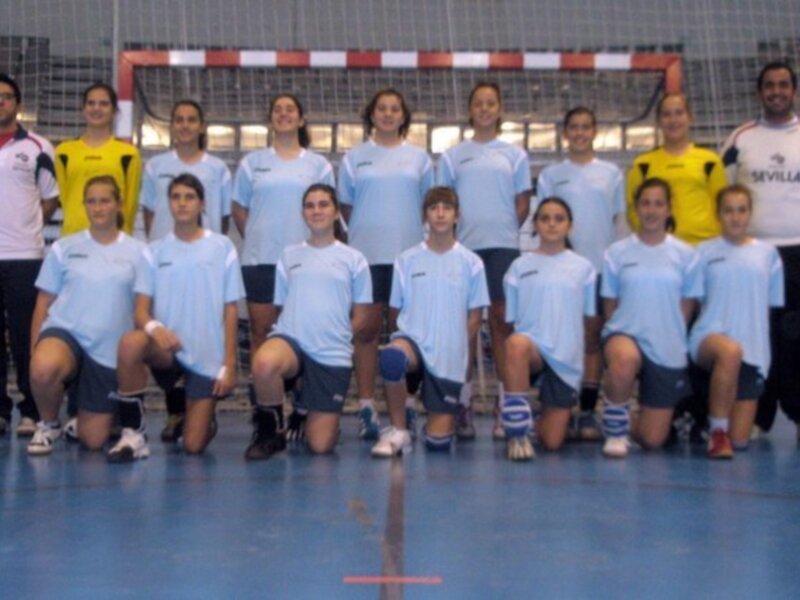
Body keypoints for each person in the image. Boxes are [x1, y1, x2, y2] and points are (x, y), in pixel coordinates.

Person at [110, 174, 243, 461]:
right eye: (176, 197)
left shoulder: (223, 247)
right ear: (169, 203)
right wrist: (154, 327)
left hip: (206, 359)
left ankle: (201, 415)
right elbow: (140, 311)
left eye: (189, 197)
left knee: (193, 446)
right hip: (168, 353)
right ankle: (134, 434)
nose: (182, 203)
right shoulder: (154, 251)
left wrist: (229, 365)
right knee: (131, 343)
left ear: (202, 204)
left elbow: (231, 309)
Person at [246, 184, 371, 460]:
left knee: (320, 445)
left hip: (331, 354)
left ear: (336, 211)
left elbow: (362, 317)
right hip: (293, 344)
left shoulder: (354, 259)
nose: (316, 211)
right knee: (264, 363)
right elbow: (281, 306)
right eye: (310, 205)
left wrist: (336, 335)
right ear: (303, 213)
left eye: (323, 204)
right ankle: (270, 432)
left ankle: (305, 405)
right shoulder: (289, 255)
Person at [338, 88, 435, 440]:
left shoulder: (420, 159)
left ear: (403, 116)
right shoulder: (354, 158)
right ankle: (366, 407)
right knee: (365, 332)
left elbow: (428, 205)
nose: (389, 114)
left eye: (395, 108)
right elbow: (346, 207)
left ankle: (406, 406)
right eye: (382, 108)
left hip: (407, 259)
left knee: (402, 334)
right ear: (372, 114)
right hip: (366, 257)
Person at [437, 82, 532, 439]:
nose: (485, 108)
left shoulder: (515, 155)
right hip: (463, 251)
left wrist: (503, 231)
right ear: (470, 109)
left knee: (503, 324)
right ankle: (462, 403)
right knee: (465, 326)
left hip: (502, 248)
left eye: (491, 103)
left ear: (499, 108)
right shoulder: (453, 156)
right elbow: (443, 202)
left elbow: (522, 203)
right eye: (478, 103)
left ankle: (505, 403)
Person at [27, 176, 144, 455]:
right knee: (43, 368)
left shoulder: (139, 252)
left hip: (107, 352)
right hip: (66, 336)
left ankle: (89, 414)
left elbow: (145, 307)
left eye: (105, 201)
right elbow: (43, 302)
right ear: (84, 206)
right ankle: (49, 424)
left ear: (119, 204)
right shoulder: (64, 248)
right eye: (91, 201)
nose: (98, 208)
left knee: (93, 442)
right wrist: (35, 350)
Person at [140, 99, 233, 443]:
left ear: (201, 126)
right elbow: (151, 214)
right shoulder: (156, 166)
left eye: (191, 119)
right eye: (178, 119)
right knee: (162, 334)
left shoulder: (218, 168)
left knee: (200, 335)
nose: (184, 125)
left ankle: (202, 406)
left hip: (203, 267)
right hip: (167, 268)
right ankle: (175, 410)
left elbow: (223, 218)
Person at [371, 187, 489, 457]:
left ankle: (432, 418)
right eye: (434, 208)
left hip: (448, 356)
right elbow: (395, 313)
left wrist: (458, 354)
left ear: (457, 215)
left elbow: (474, 319)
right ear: (425, 215)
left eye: (447, 208)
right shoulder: (406, 260)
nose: (440, 213)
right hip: (413, 344)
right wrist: (405, 340)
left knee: (438, 445)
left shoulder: (472, 263)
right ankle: (399, 430)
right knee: (391, 358)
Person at [232, 94, 334, 403]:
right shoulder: (252, 163)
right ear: (270, 119)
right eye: (277, 109)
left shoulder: (318, 165)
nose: (284, 114)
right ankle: (266, 407)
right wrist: (258, 237)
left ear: (301, 120)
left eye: (290, 109)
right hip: (260, 259)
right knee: (261, 330)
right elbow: (239, 208)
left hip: (305, 262)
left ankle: (302, 404)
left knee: (302, 331)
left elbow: (327, 211)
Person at [536, 107, 625, 441]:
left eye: (586, 127)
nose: (579, 133)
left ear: (595, 131)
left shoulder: (611, 173)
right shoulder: (551, 175)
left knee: (591, 339)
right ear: (565, 133)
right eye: (573, 127)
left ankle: (587, 411)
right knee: (557, 336)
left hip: (598, 270)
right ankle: (556, 404)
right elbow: (544, 219)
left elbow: (618, 222)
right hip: (560, 272)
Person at [721, 61, 800, 439]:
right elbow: (722, 193)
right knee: (757, 334)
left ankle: (798, 413)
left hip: (797, 253)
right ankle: (757, 415)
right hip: (753, 255)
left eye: (783, 85)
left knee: (796, 337)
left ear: (794, 91)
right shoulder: (741, 139)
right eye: (769, 85)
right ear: (759, 92)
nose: (776, 91)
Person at [601, 178, 702, 458]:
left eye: (658, 204)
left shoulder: (686, 255)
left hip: (666, 345)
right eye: (645, 203)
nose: (651, 210)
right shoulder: (616, 253)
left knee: (652, 439)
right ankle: (616, 431)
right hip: (625, 333)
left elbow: (687, 305)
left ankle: (618, 417)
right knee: (623, 361)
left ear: (668, 209)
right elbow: (610, 304)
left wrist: (670, 335)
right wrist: (614, 337)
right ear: (636, 208)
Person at [688, 185, 784, 458]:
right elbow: (694, 303)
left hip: (752, 350)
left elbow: (768, 308)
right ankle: (717, 431)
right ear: (718, 214)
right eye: (728, 210)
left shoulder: (768, 254)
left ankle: (714, 427)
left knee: (740, 442)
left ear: (750, 214)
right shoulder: (702, 252)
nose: (735, 217)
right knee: (730, 352)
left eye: (741, 210)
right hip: (709, 338)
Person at [500, 197, 597, 460]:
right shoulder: (519, 267)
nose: (551, 224)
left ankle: (539, 415)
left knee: (552, 443)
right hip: (532, 351)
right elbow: (511, 322)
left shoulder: (584, 268)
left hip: (565, 361)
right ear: (535, 225)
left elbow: (588, 323)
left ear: (570, 226)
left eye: (558, 219)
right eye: (544, 218)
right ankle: (518, 432)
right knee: (516, 344)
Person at [0, 73, 59, 436]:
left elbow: (50, 198)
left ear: (18, 104)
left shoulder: (39, 147)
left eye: (6, 96)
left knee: (26, 335)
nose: (0, 102)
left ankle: (31, 410)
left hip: (25, 256)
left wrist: (26, 227)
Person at [628, 94, 727, 245]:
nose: (673, 120)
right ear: (658, 121)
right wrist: (651, 238)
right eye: (666, 114)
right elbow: (632, 209)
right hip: (660, 248)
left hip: (703, 247)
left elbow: (723, 205)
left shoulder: (710, 161)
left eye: (679, 113)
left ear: (690, 118)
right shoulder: (643, 165)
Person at [55, 82, 141, 237]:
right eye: (91, 103)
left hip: (114, 239)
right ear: (83, 109)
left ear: (114, 111)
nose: (96, 108)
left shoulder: (128, 154)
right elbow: (64, 197)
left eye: (104, 104)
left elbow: (130, 203)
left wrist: (124, 237)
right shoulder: (64, 152)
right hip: (74, 236)